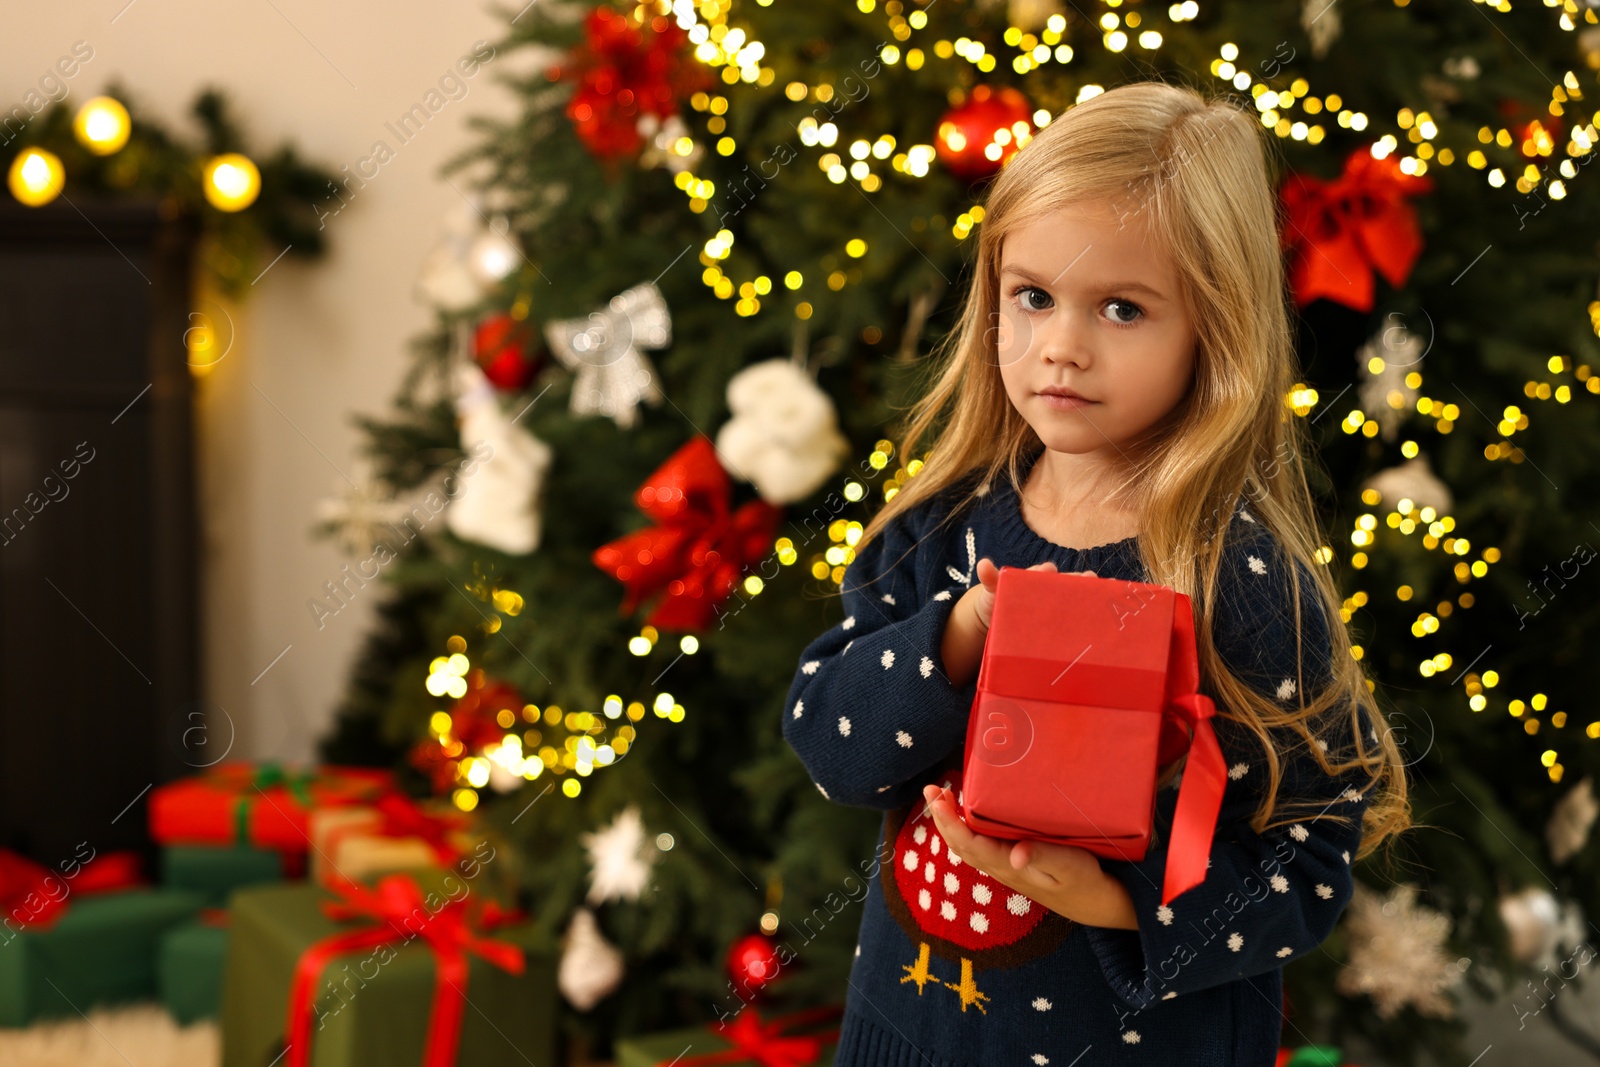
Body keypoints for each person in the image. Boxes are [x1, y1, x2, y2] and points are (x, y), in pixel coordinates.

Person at [781, 80, 1411, 1066]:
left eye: (1121, 307)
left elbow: (1308, 865)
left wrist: (1115, 897)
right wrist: (959, 631)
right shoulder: (943, 521)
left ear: (1213, 327)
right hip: (913, 1033)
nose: (1060, 347)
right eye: (1032, 296)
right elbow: (831, 742)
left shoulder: (1238, 578)